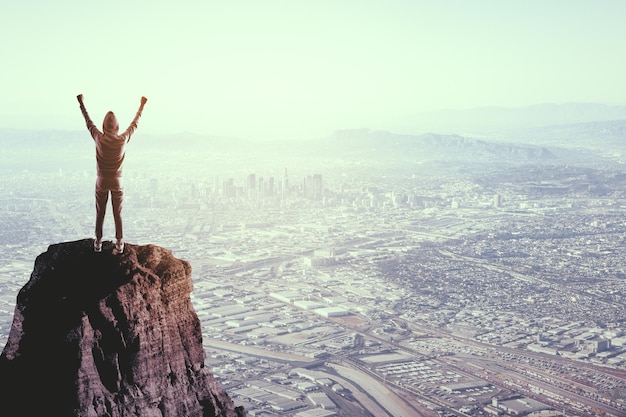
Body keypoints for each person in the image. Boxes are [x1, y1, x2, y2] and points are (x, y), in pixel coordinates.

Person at [77, 94, 147, 253]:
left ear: (103, 125)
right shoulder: (123, 139)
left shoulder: (98, 138)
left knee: (100, 212)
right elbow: (134, 123)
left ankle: (98, 242)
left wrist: (81, 103)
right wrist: (142, 105)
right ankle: (120, 242)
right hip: (118, 181)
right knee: (118, 212)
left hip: (101, 180)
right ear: (117, 127)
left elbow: (88, 121)